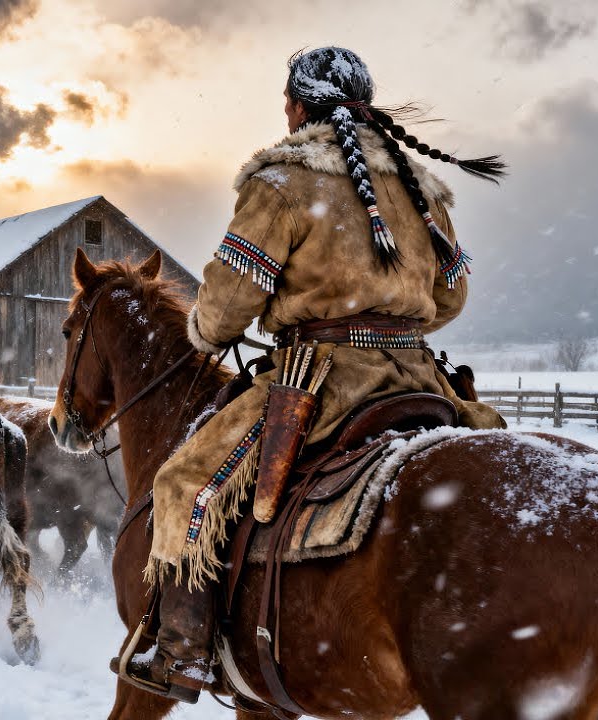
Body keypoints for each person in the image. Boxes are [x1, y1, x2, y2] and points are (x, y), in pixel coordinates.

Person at [119, 47, 508, 702]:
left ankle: (182, 649)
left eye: (287, 102)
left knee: (186, 482)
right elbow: (451, 299)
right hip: (419, 380)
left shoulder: (281, 182)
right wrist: (391, 318)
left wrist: (211, 329)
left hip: (319, 380)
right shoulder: (422, 188)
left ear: (298, 106)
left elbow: (226, 306)